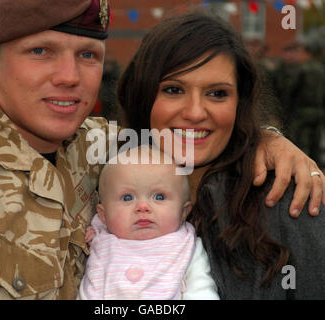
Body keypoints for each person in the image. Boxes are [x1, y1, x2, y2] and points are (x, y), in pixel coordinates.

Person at [0, 0, 323, 300]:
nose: (69, 76)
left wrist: (266, 138)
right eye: (40, 51)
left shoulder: (103, 146)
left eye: (87, 55)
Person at [118, 11, 324, 299]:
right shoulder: (101, 183)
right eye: (173, 89)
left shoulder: (285, 201)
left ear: (239, 104)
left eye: (217, 94)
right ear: (142, 95)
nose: (194, 113)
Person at [78, 147, 219, 300]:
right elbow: (89, 290)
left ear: (184, 212)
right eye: (127, 198)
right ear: (104, 216)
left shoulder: (186, 245)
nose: (142, 207)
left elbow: (202, 290)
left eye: (159, 197)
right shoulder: (103, 242)